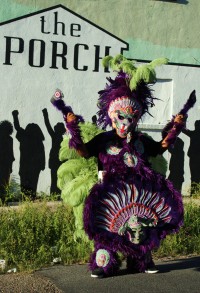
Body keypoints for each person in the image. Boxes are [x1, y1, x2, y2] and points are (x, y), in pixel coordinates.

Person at [52, 55, 196, 278]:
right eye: (120, 117)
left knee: (140, 228)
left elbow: (160, 147)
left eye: (131, 118)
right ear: (112, 115)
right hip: (108, 193)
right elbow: (83, 152)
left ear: (136, 118)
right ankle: (105, 261)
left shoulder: (140, 140)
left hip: (136, 195)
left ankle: (140, 259)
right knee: (106, 230)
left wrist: (176, 127)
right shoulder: (104, 139)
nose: (125, 123)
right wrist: (72, 129)